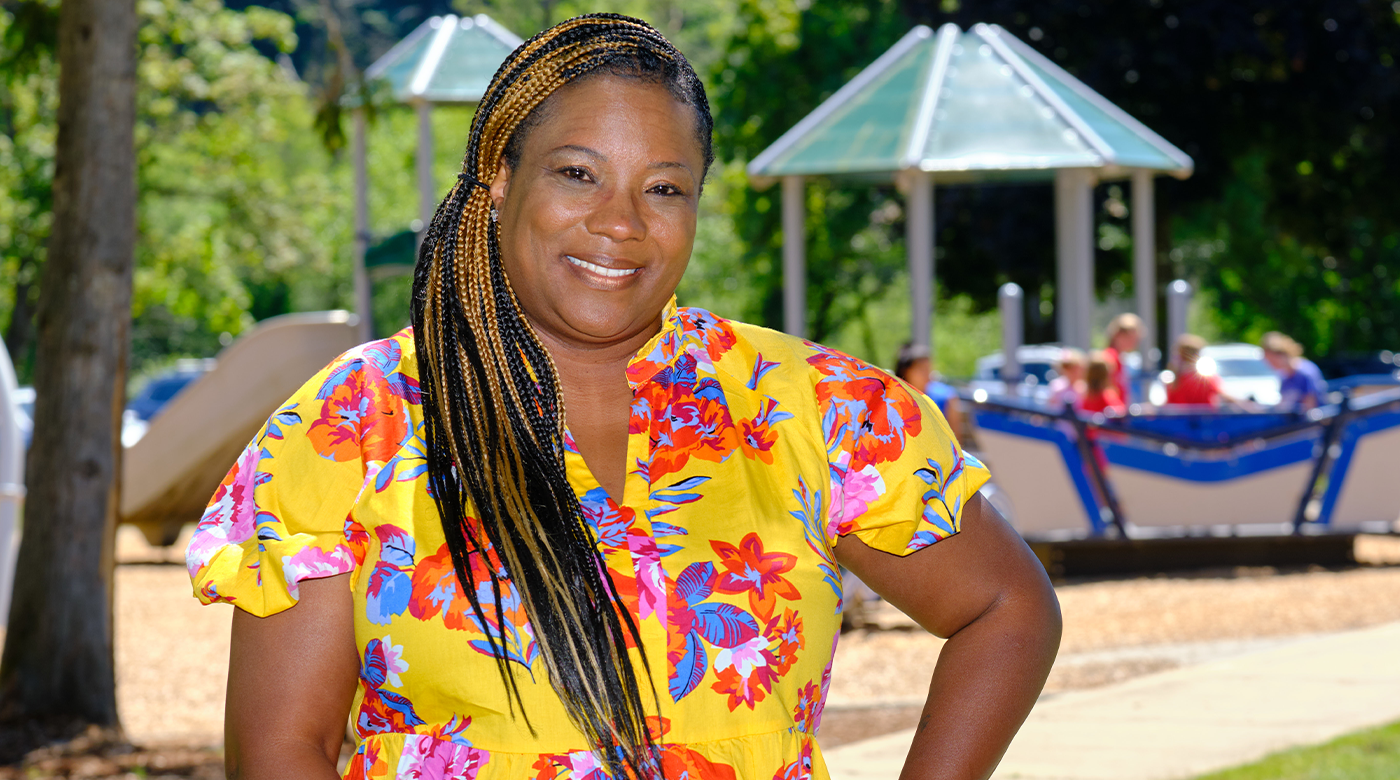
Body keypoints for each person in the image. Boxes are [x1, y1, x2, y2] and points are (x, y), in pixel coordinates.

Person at [187, 16, 1060, 780]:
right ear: (497, 180)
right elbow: (278, 750)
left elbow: (1006, 609)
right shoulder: (357, 422)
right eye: (577, 174)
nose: (621, 222)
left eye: (664, 188)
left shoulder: (812, 409)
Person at [894, 342, 963, 441]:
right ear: (905, 371)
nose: (927, 374)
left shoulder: (946, 397)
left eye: (928, 368)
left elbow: (956, 443)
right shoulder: (893, 398)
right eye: (921, 369)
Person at [1262, 331, 1327, 412]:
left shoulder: (1305, 373)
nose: (1269, 364)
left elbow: (1310, 411)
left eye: (1271, 360)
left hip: (1310, 422)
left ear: (1281, 355)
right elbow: (1283, 405)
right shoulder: (1284, 376)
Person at [1164, 334, 1233, 408]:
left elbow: (1168, 404)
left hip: (1180, 419)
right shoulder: (1206, 377)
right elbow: (1224, 396)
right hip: (1205, 418)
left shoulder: (1173, 379)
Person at [1102, 313, 1142, 405]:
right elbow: (1107, 391)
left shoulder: (1119, 358)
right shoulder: (1110, 358)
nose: (1135, 343)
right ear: (1118, 335)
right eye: (1132, 338)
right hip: (1111, 415)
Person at [1045, 348, 1086, 414]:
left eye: (1077, 368)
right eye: (1069, 367)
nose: (1075, 372)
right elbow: (1050, 410)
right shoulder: (1056, 386)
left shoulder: (1084, 388)